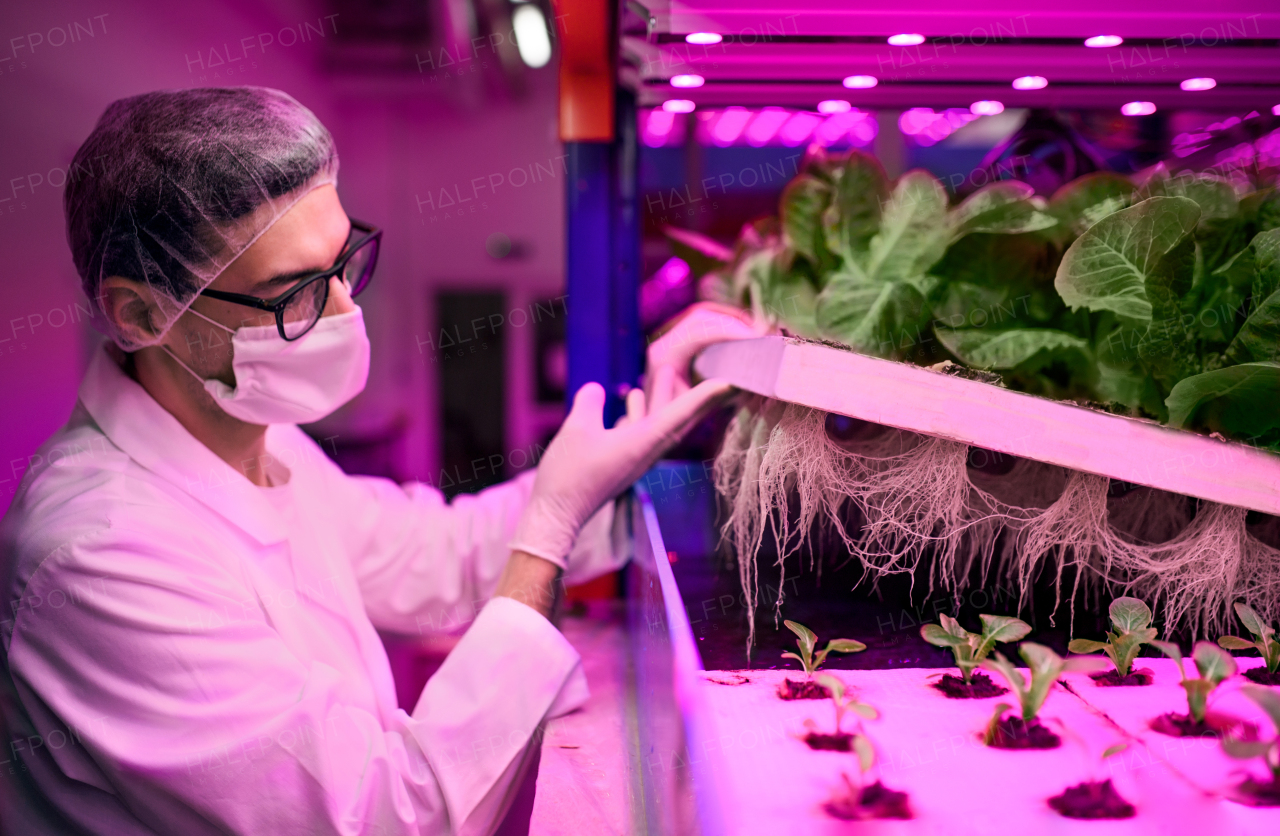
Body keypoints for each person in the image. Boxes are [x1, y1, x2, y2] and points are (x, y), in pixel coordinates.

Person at [0, 87, 756, 835]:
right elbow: (390, 817)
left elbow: (435, 557)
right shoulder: (99, 555)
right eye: (293, 293)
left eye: (341, 264)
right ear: (141, 314)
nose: (343, 312)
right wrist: (549, 525)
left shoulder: (247, 435)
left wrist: (622, 459)